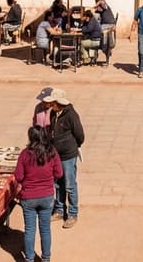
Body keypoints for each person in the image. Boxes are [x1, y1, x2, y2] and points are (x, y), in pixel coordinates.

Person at [14, 125, 63, 262]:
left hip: (28, 197)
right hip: (47, 197)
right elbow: (59, 173)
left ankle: (29, 259)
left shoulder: (25, 154)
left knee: (30, 230)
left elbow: (18, 176)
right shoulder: (52, 152)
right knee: (45, 229)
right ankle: (46, 258)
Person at [43, 89, 84, 229]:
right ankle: (59, 210)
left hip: (68, 156)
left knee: (70, 185)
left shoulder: (71, 115)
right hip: (56, 155)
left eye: (53, 103)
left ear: (58, 103)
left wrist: (72, 146)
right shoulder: (54, 114)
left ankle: (72, 213)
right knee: (58, 184)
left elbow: (80, 135)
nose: (51, 106)